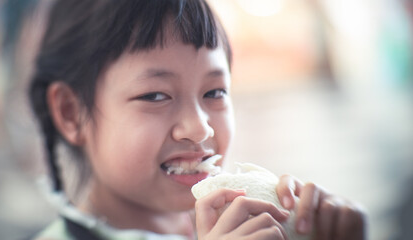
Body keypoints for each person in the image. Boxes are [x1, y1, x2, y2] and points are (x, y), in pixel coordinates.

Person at [29, 0, 367, 239]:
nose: (200, 127)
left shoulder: (248, 221)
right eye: (155, 95)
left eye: (215, 92)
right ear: (71, 113)